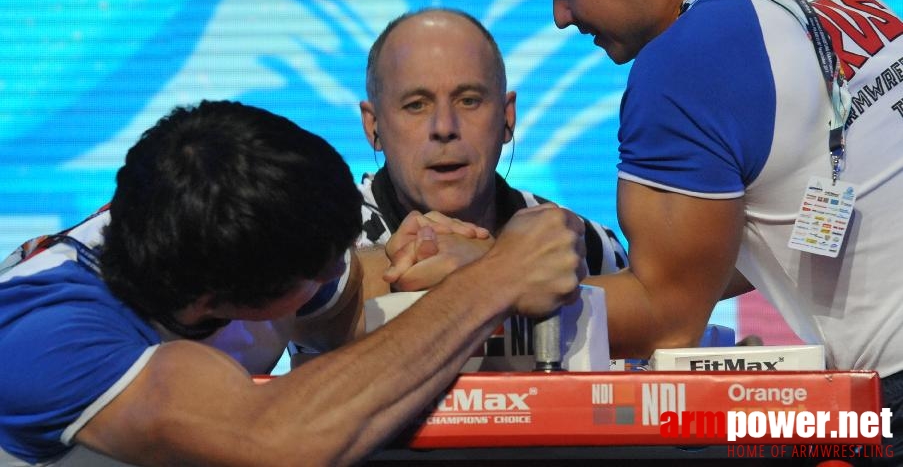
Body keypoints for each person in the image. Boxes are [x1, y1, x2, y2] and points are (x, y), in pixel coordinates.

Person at [508, 0, 903, 454]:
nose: (561, 15)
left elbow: (666, 319)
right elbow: (796, 226)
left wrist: (488, 284)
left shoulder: (681, 68)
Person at [0, 100, 585, 466]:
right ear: (216, 300)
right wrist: (495, 280)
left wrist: (442, 259)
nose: (348, 265)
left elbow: (361, 291)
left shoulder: (218, 222)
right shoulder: (48, 336)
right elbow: (276, 441)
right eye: (327, 266)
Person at [358, 7, 627, 291]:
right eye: (416, 105)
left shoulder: (586, 248)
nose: (445, 127)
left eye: (469, 100)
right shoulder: (329, 244)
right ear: (373, 125)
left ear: (507, 117)